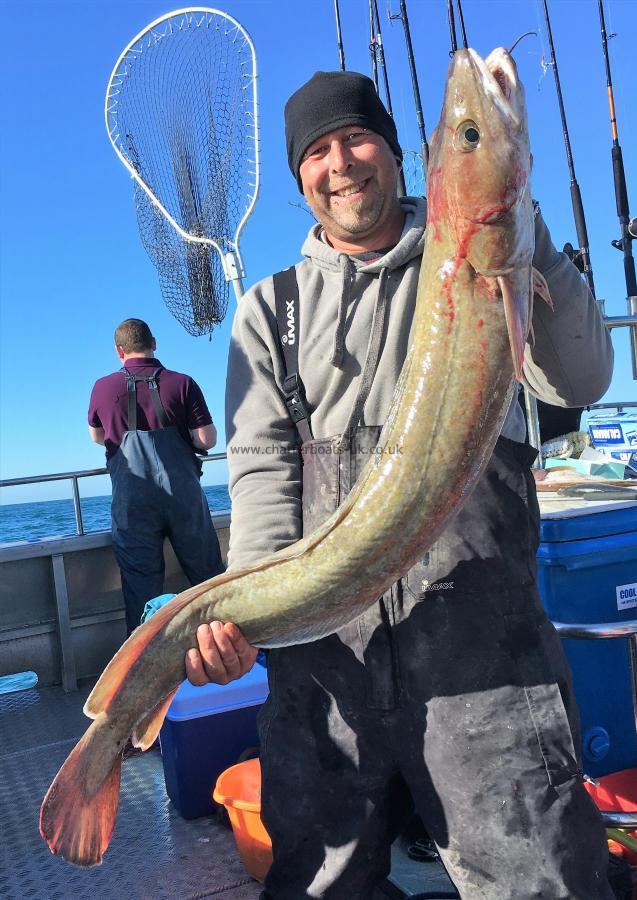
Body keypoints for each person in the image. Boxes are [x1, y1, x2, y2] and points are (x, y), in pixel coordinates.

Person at [185, 71, 615, 899]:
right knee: (319, 884)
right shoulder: (268, 313)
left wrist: (522, 230)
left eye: (356, 138)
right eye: (315, 151)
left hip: (489, 668)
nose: (339, 163)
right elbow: (265, 492)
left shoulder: (499, 255)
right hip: (324, 678)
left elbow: (585, 379)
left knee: (541, 880)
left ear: (396, 152)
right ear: (299, 179)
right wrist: (245, 621)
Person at [88, 318, 224, 635]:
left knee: (140, 590)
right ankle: (224, 654)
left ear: (119, 351)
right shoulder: (183, 383)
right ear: (154, 343)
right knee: (209, 580)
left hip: (132, 500)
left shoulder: (102, 387)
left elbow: (97, 437)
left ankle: (146, 671)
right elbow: (207, 439)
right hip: (184, 497)